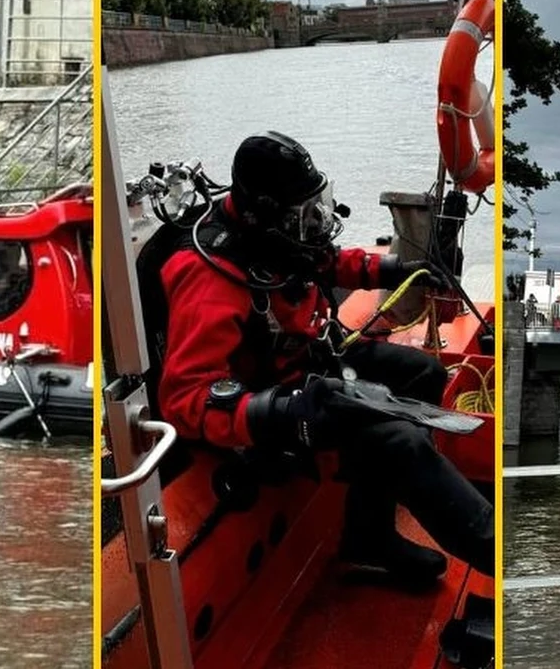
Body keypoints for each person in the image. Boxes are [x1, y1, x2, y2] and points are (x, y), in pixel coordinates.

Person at [153, 131, 494, 584]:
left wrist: (391, 269)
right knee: (401, 441)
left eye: (317, 209)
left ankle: (369, 529)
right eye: (305, 216)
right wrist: (284, 412)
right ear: (265, 214)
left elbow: (325, 260)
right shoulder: (209, 279)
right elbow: (183, 399)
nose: (314, 225)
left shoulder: (277, 236)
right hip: (266, 407)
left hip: (306, 366)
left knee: (424, 372)